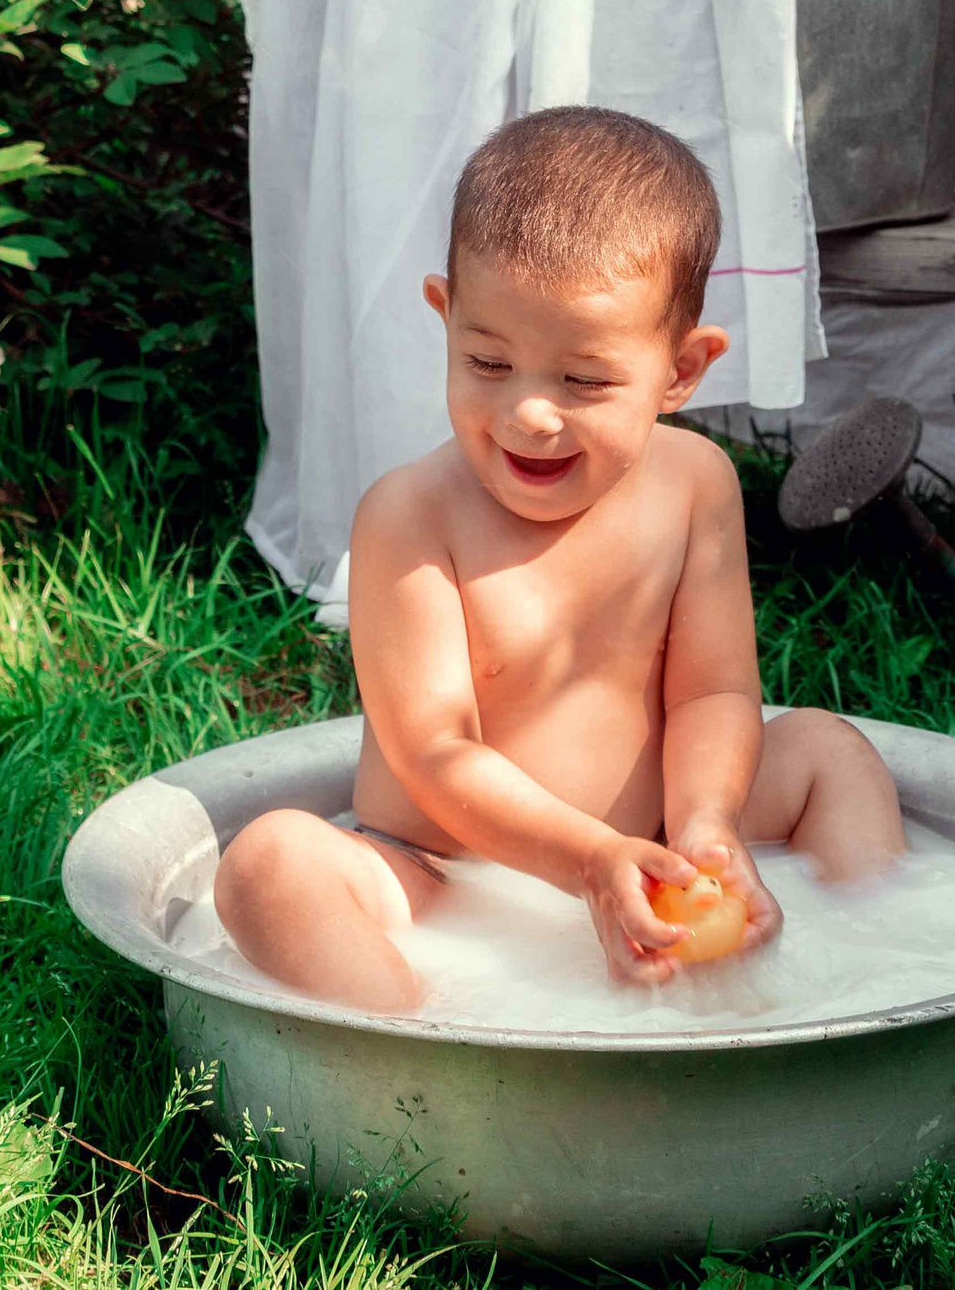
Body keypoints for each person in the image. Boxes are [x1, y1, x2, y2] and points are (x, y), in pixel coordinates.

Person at [214, 106, 905, 1010]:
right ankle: (421, 1050)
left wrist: (705, 828)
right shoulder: (409, 515)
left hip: (648, 842)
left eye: (584, 380)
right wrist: (587, 860)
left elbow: (711, 692)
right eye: (488, 362)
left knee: (827, 750)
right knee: (269, 861)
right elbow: (434, 750)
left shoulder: (695, 484)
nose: (531, 413)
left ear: (683, 369)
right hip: (443, 876)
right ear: (444, 315)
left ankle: (877, 983)